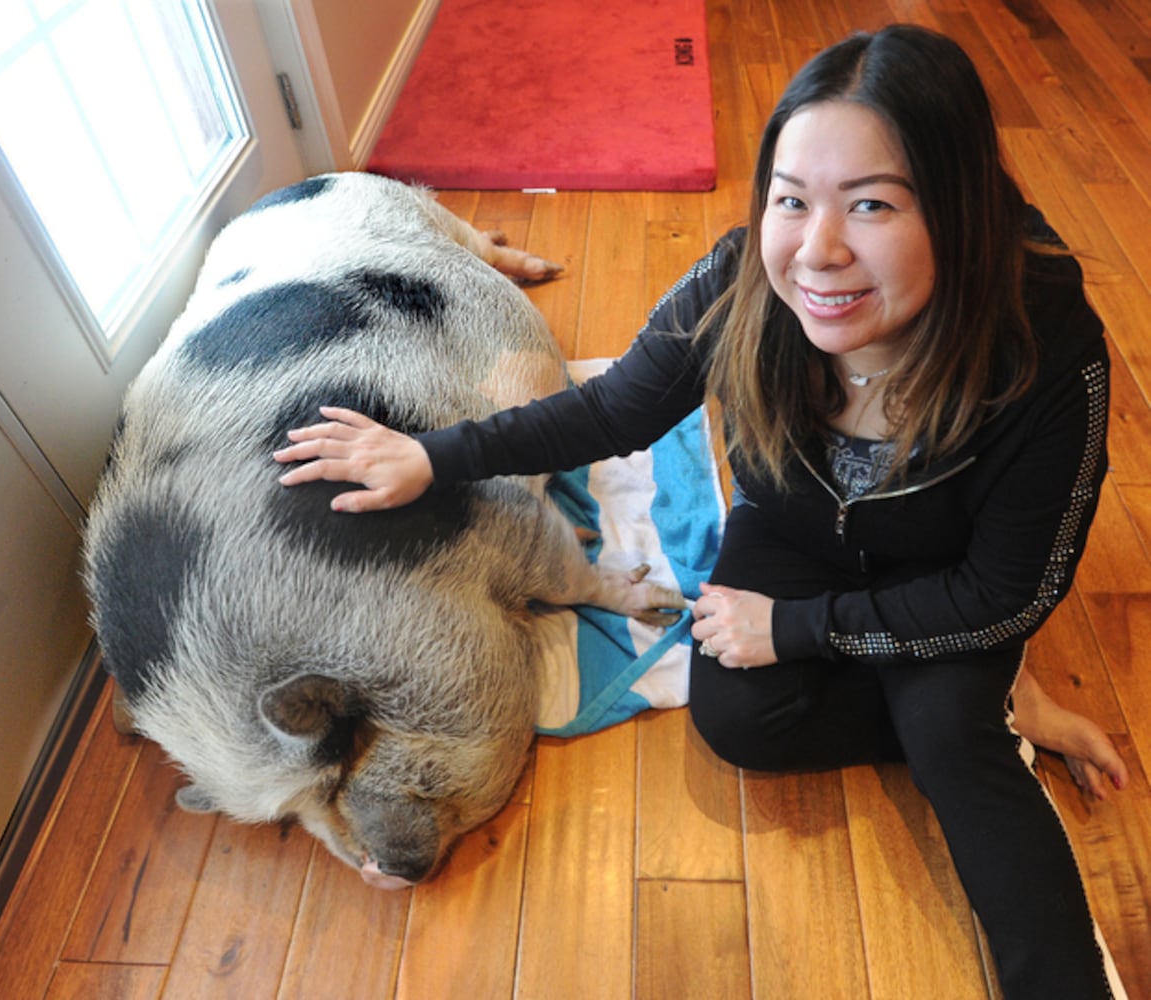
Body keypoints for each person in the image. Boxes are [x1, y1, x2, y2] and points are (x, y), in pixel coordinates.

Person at [274, 24, 1128, 999]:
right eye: (790, 199)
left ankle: (984, 709)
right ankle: (966, 690)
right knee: (740, 717)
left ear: (961, 213)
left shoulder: (1047, 348)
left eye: (872, 205)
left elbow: (1004, 587)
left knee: (952, 739)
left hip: (945, 568)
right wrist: (432, 455)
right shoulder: (739, 282)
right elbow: (612, 407)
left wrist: (805, 630)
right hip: (798, 525)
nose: (816, 250)